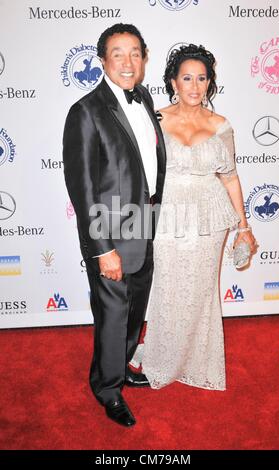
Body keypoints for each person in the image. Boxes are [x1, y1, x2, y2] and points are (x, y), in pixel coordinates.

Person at [63, 23, 166, 427]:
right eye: (118, 53)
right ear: (103, 60)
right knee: (111, 315)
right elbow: (83, 188)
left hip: (146, 225)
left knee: (134, 310)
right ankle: (107, 388)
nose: (128, 61)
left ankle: (121, 367)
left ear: (144, 58)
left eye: (135, 53)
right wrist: (102, 248)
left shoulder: (143, 97)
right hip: (109, 233)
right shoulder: (85, 111)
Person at [139, 44, 257, 391]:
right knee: (169, 287)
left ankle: (196, 359)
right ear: (173, 82)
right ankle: (163, 356)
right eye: (186, 78)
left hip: (209, 215)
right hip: (169, 214)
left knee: (201, 290)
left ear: (210, 83)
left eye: (201, 78)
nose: (194, 85)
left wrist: (244, 227)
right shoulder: (155, 120)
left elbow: (231, 177)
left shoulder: (221, 125)